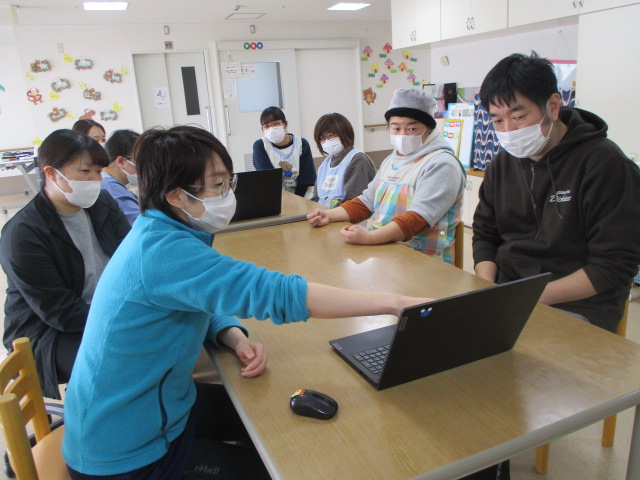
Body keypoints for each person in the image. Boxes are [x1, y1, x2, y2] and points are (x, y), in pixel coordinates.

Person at [62, 125, 429, 479]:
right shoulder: (165, 252)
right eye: (217, 185)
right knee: (286, 463)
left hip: (158, 404)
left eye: (228, 182)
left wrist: (233, 335)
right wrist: (394, 303)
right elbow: (277, 293)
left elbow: (195, 298)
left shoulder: (161, 229)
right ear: (176, 196)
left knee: (271, 422)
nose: (227, 194)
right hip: (126, 452)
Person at [473, 52, 640, 334]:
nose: (509, 131)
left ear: (552, 106)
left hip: (579, 304)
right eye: (497, 121)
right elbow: (485, 234)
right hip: (509, 292)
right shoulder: (502, 164)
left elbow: (614, 264)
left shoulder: (605, 164)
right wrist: (487, 287)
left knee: (526, 357)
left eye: (518, 116)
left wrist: (527, 298)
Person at [0, 129, 130, 399]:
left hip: (103, 312)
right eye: (85, 171)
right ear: (51, 173)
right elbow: (60, 312)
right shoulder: (23, 233)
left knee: (158, 342)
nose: (96, 180)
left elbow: (130, 261)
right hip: (47, 333)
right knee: (124, 362)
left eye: (98, 171)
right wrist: (124, 319)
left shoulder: (102, 203)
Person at [307, 88, 466, 265]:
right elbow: (367, 201)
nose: (402, 134)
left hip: (424, 260)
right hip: (386, 252)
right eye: (396, 128)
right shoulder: (391, 160)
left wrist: (370, 237)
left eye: (412, 128)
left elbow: (419, 217)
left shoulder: (442, 164)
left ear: (428, 128)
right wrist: (329, 215)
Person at [311, 112, 376, 208]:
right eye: (322, 137)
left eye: (330, 135)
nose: (326, 140)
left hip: (345, 215)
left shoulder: (358, 160)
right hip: (324, 214)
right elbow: (316, 198)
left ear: (344, 133)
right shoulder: (324, 164)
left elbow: (352, 202)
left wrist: (328, 214)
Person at [252, 106, 316, 197]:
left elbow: (307, 178)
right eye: (267, 126)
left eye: (276, 124)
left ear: (285, 125)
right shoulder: (260, 146)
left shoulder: (302, 143)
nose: (271, 129)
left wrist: (295, 200)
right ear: (263, 129)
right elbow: (267, 179)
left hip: (302, 195)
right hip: (274, 196)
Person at [102, 129, 140, 225]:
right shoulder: (112, 188)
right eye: (141, 162)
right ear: (121, 161)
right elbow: (140, 225)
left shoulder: (111, 183)